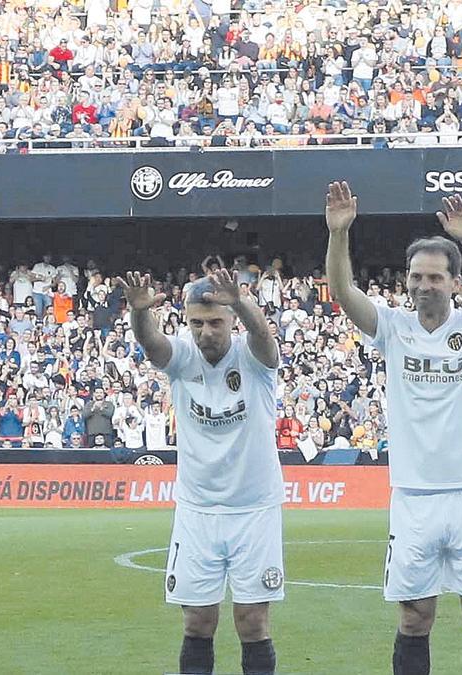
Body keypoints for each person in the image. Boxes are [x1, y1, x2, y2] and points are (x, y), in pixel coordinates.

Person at [324, 181, 462, 675]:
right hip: (413, 494)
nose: (424, 284)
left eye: (434, 277)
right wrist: (339, 234)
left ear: (454, 283)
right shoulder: (392, 328)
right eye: (416, 276)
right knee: (413, 618)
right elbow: (343, 291)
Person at [122, 267, 283, 675]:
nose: (205, 332)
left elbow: (264, 338)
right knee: (197, 622)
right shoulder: (183, 358)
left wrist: (243, 303)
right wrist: (140, 313)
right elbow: (151, 342)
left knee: (252, 623)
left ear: (231, 321)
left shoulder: (253, 358)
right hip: (197, 511)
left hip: (254, 509)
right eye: (196, 323)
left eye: (215, 322)